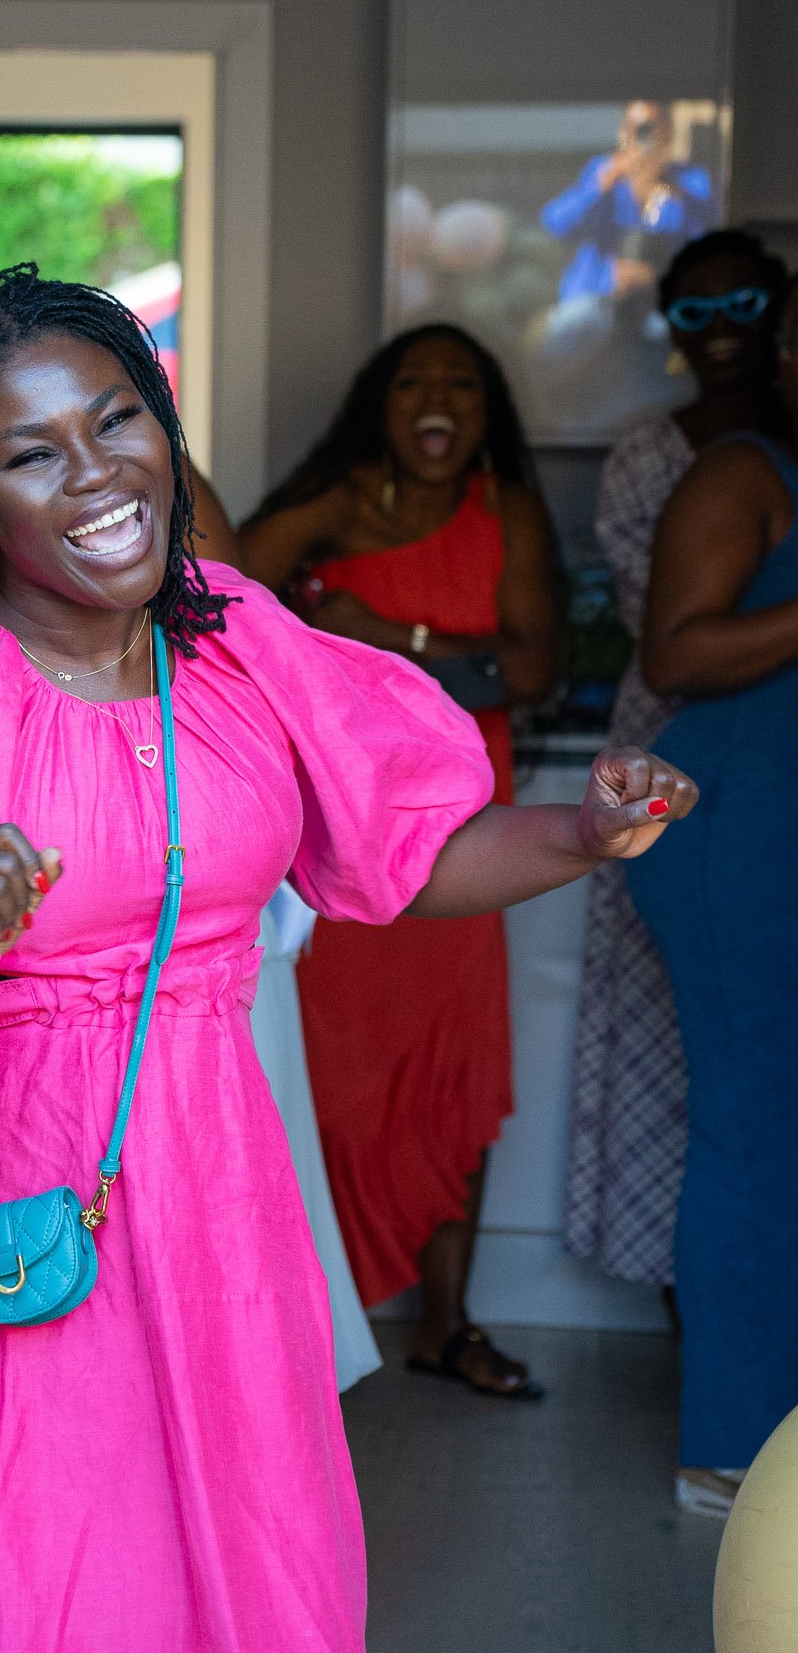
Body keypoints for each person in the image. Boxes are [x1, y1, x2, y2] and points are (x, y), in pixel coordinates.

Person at [0, 264, 692, 1651]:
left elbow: (405, 853)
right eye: (32, 454)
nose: (96, 475)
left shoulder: (238, 646)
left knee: (188, 1570)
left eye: (116, 420)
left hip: (203, 1199)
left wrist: (579, 829)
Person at [240, 324, 560, 1397]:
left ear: (486, 409)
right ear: (378, 402)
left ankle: (446, 1320)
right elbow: (220, 596)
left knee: (449, 1072)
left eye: (460, 383)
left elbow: (524, 672)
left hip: (469, 840)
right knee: (323, 1076)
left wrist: (389, 631)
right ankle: (299, 1319)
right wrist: (328, 538)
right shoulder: (336, 508)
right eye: (413, 381)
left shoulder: (502, 510)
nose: (437, 399)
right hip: (338, 842)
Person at [564, 230, 787, 1289]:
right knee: (679, 1057)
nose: (724, 329)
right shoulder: (674, 459)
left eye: (743, 301)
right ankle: (680, 1305)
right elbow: (676, 641)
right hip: (678, 752)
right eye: (693, 312)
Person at [628, 275, 798, 1520]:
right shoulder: (744, 473)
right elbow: (675, 650)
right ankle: (732, 1448)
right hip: (739, 823)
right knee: (754, 1123)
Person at [541, 100, 717, 306]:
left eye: (650, 128)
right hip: (599, 293)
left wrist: (669, 188)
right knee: (576, 321)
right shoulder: (603, 172)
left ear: (668, 132)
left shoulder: (690, 182)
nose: (642, 137)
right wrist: (599, 187)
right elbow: (555, 224)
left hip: (662, 300)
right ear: (622, 132)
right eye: (633, 127)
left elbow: (705, 246)